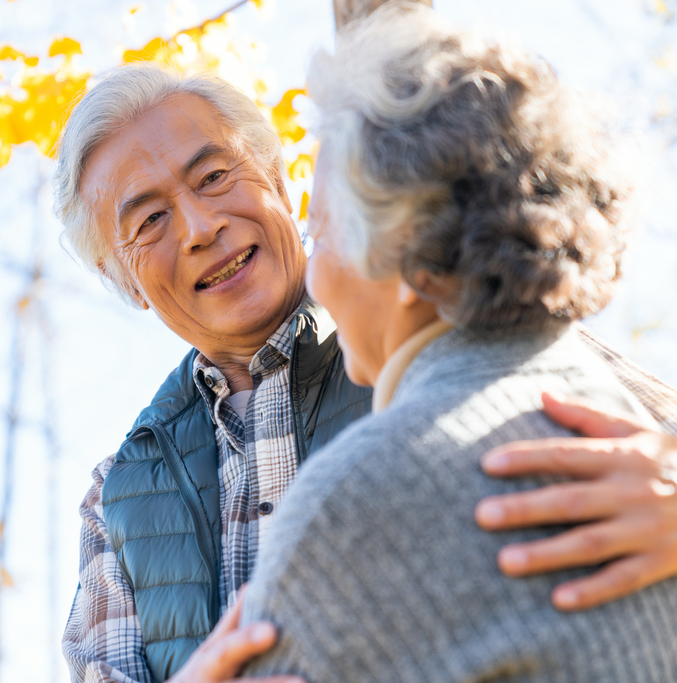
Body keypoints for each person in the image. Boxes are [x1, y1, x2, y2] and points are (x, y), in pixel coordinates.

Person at [52, 48, 677, 683]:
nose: (199, 226)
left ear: (277, 176)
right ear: (121, 279)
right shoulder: (120, 495)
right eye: (150, 218)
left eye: (213, 176)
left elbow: (624, 416)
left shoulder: (443, 329)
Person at [240, 4, 677, 680]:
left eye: (321, 232)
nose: (314, 272)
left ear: (409, 254)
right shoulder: (649, 444)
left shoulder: (361, 498)